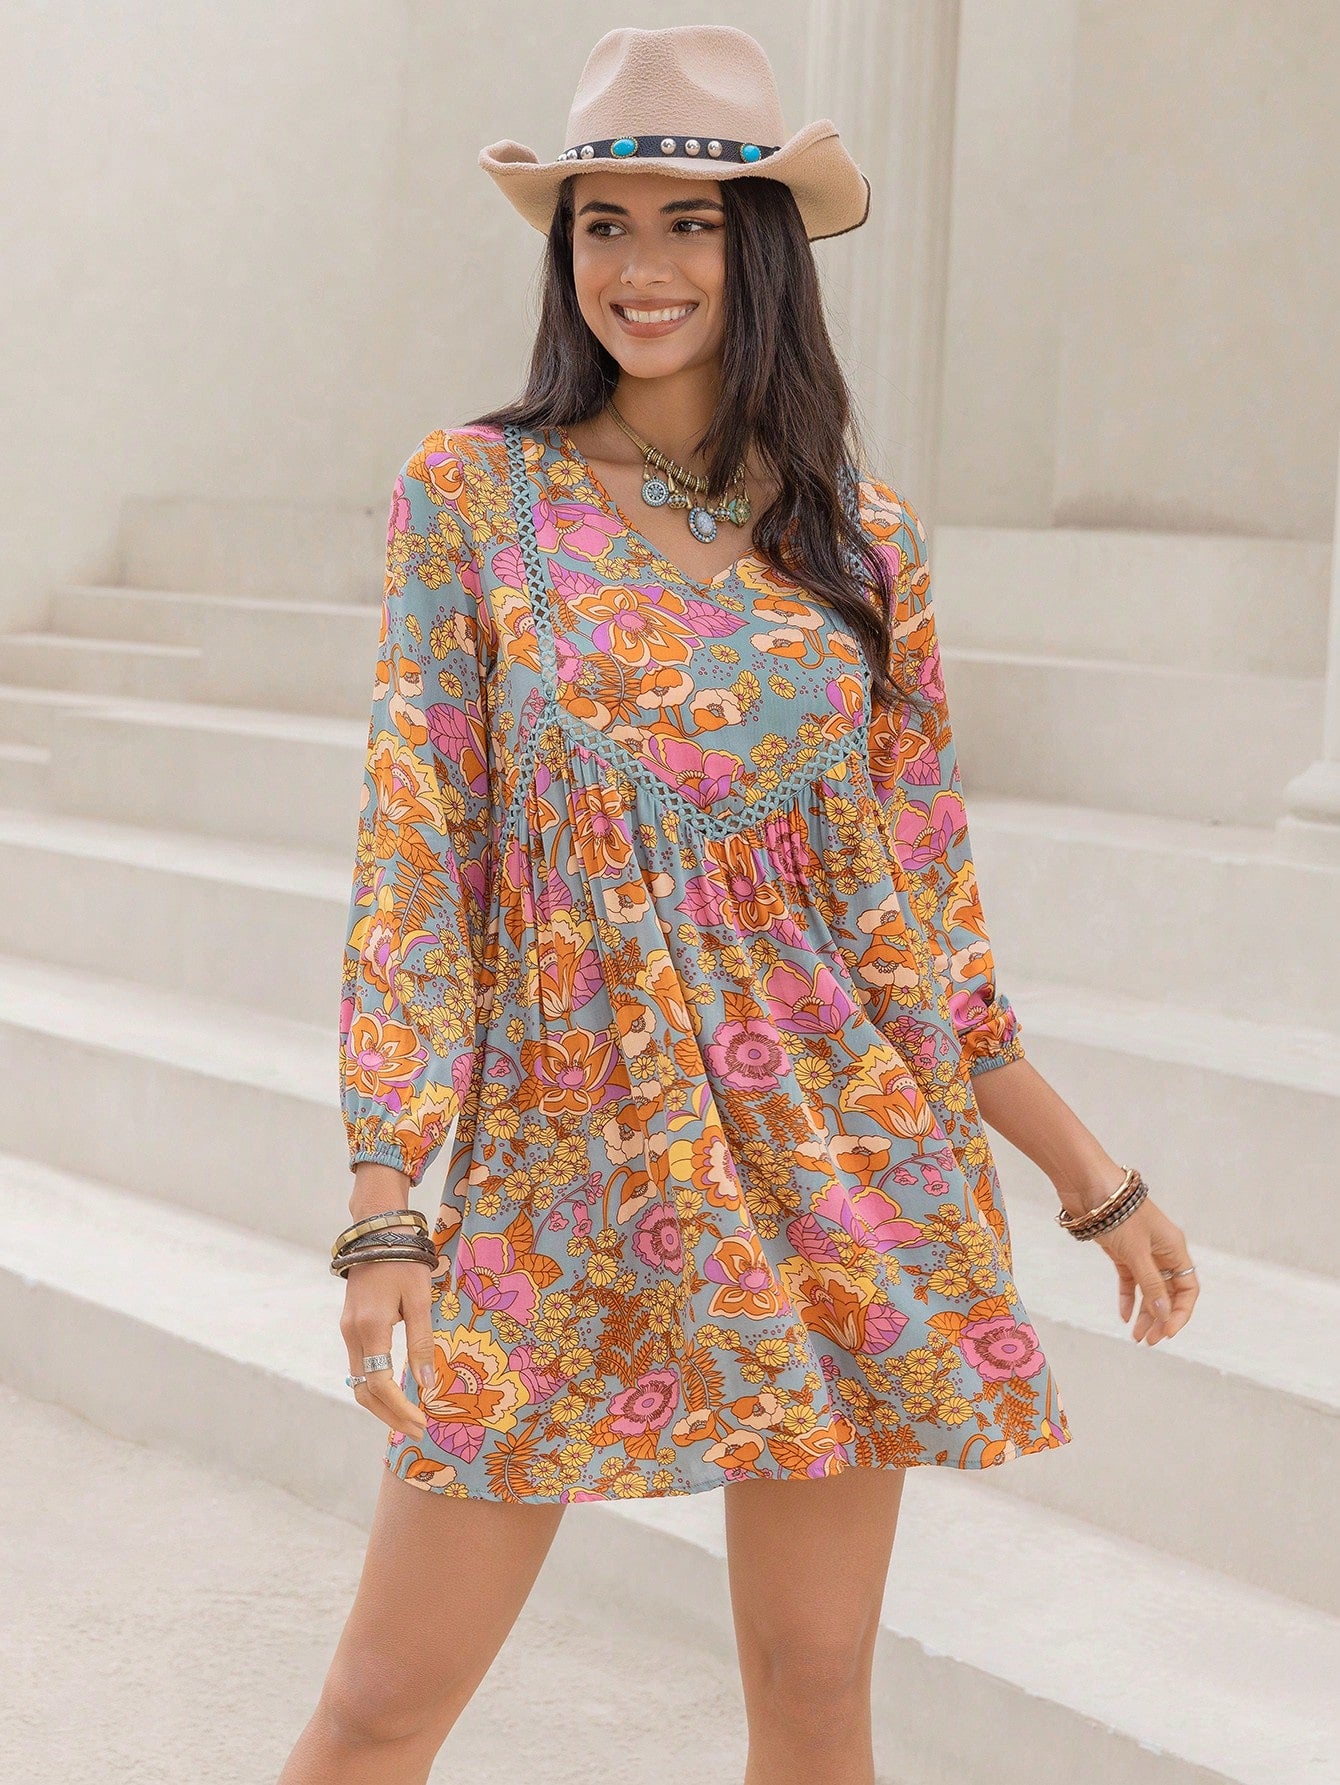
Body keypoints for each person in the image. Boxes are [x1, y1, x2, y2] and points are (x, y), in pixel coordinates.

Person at [279, 24, 1199, 1785]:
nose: (644, 266)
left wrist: (1092, 1176)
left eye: (691, 224)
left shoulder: (864, 540)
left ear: (759, 245)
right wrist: (387, 1204)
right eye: (604, 224)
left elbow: (920, 916)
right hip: (563, 1163)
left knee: (812, 1677)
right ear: (564, 254)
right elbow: (420, 855)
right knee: (384, 1702)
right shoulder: (474, 500)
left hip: (842, 1162)